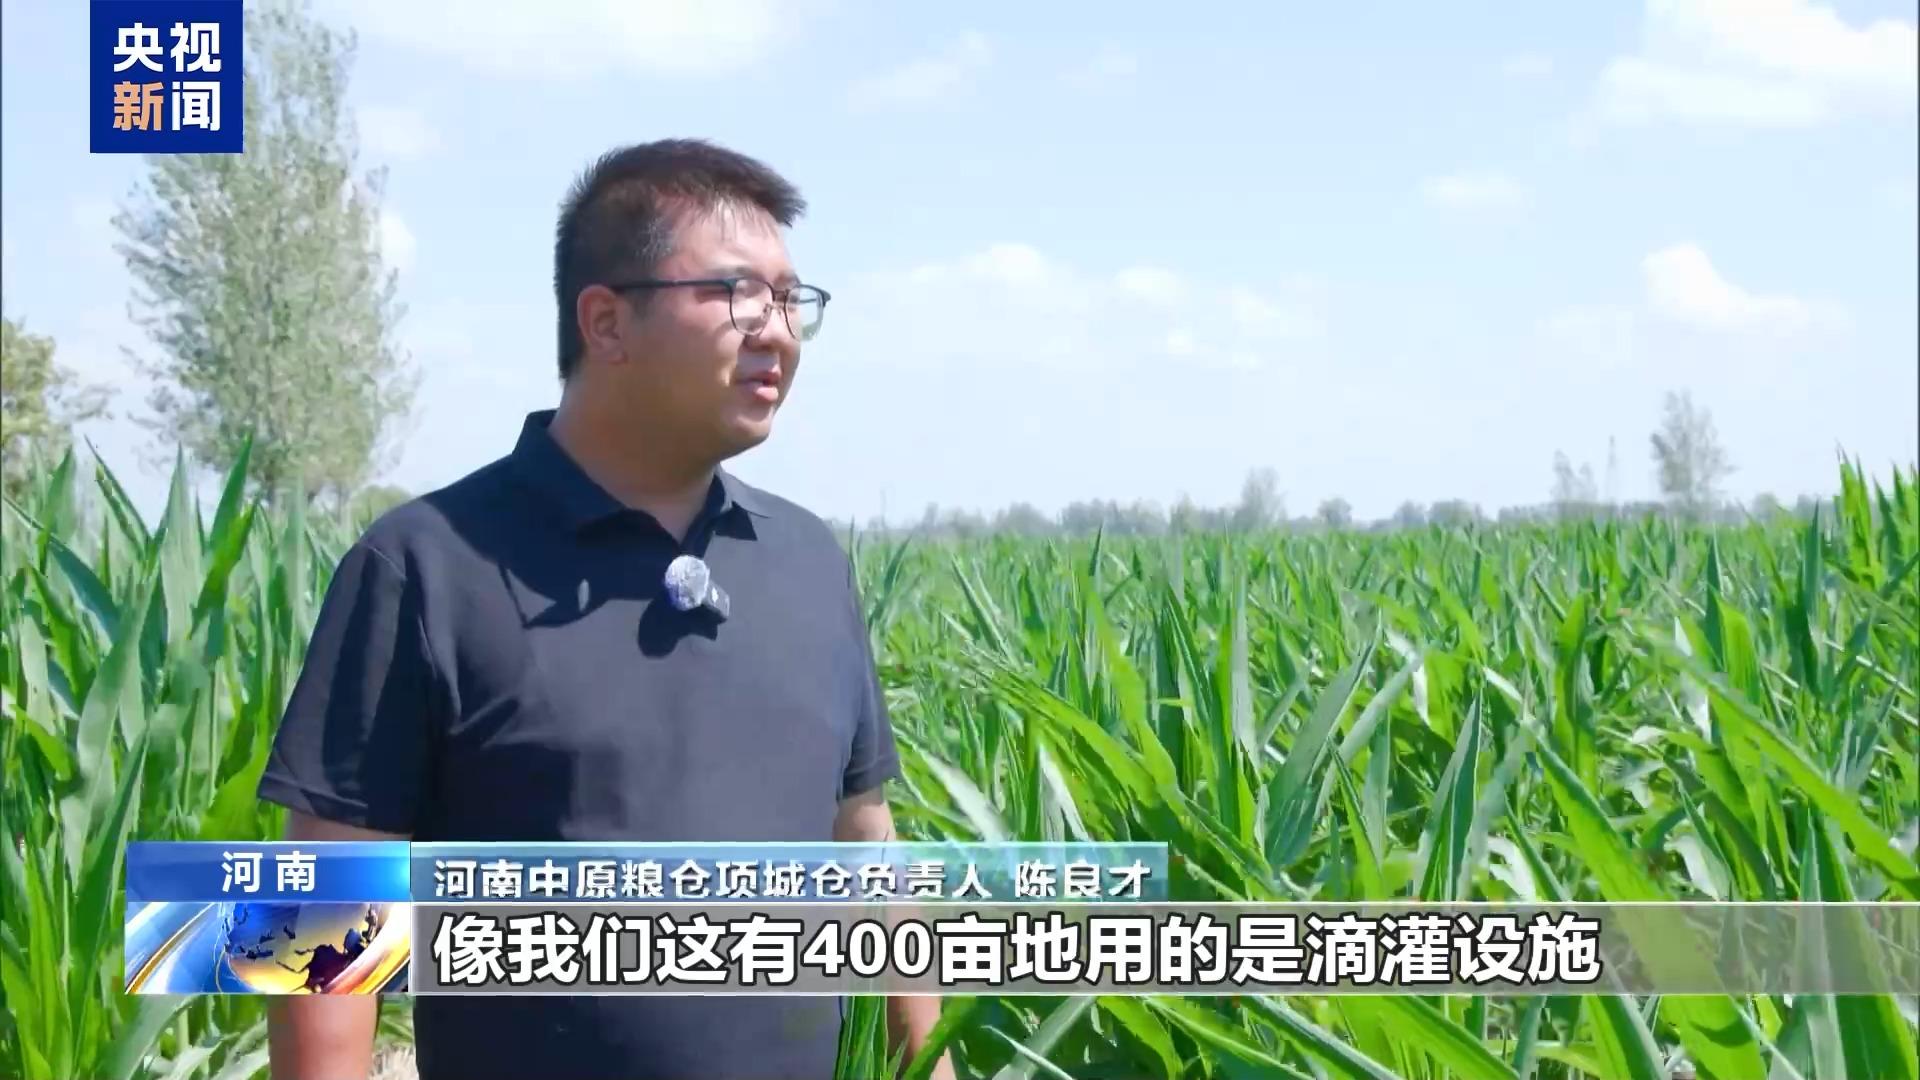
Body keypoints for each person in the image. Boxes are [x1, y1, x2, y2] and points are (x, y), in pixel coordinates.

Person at [259, 138, 955, 1080]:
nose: (779, 332)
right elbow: (324, 915)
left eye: (792, 300)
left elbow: (865, 847)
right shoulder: (426, 567)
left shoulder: (808, 562)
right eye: (740, 294)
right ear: (607, 322)